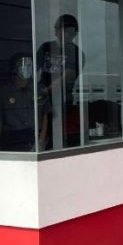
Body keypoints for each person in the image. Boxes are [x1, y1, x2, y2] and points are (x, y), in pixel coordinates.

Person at [37, 14, 84, 150]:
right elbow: (34, 69)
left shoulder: (76, 52)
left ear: (74, 32)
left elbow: (68, 75)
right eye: (58, 28)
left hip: (62, 102)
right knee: (41, 132)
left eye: (68, 30)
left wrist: (47, 90)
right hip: (41, 100)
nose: (60, 31)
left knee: (58, 135)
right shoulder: (46, 47)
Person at [0, 53, 38, 151]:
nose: (27, 68)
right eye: (23, 65)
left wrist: (41, 139)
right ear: (14, 69)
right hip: (12, 137)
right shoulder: (3, 91)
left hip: (33, 136)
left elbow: (44, 115)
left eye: (30, 65)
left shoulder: (37, 88)